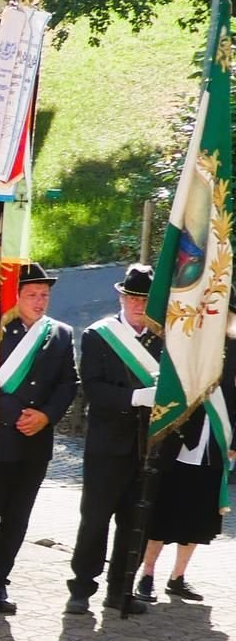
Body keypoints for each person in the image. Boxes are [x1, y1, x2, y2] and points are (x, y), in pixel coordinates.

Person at [0, 264, 76, 614]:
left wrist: (46, 415)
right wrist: (10, 415)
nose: (39, 301)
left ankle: (0, 582)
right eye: (32, 295)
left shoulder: (59, 333)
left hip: (35, 443)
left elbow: (67, 383)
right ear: (15, 297)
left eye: (44, 295)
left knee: (18, 518)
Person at [70, 264, 164, 615]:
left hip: (147, 446)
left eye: (145, 299)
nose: (139, 305)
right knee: (95, 519)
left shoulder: (164, 338)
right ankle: (81, 588)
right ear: (121, 297)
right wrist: (135, 398)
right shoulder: (98, 335)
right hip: (108, 444)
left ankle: (121, 589)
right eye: (133, 297)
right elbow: (92, 388)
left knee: (135, 522)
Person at [136, 332, 230, 603]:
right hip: (177, 445)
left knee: (197, 517)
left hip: (213, 446)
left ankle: (178, 577)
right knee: (163, 514)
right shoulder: (186, 339)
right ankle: (147, 575)